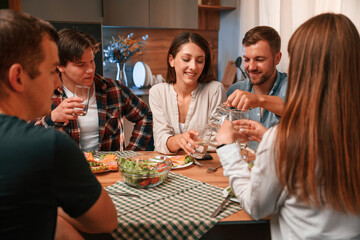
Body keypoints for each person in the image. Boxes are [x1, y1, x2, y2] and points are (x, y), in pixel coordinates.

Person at [216, 13, 360, 239]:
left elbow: (256, 207)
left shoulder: (284, 139)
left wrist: (226, 148)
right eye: (247, 59)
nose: (251, 66)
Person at [0, 10, 117, 239]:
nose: (56, 82)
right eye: (53, 70)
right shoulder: (47, 145)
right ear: (18, 77)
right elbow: (106, 221)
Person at [35, 29, 152, 152]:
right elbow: (25, 138)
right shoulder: (44, 94)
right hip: (66, 171)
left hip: (110, 169)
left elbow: (145, 116)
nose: (90, 69)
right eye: (81, 65)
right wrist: (52, 118)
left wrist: (131, 153)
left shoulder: (114, 89)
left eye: (91, 61)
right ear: (60, 66)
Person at [149, 32, 226, 155]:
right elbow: (159, 140)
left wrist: (174, 142)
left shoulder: (215, 90)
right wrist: (179, 140)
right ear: (171, 60)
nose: (193, 67)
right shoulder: (158, 92)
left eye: (200, 61)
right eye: (186, 59)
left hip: (205, 167)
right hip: (167, 166)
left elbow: (218, 141)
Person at [226, 26, 287, 150]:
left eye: (259, 60)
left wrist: (258, 99)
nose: (251, 67)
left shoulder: (294, 87)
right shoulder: (235, 90)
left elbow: (295, 111)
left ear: (277, 58)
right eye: (247, 60)